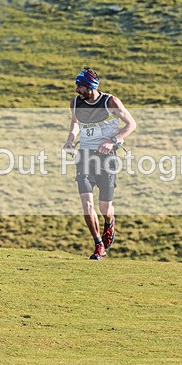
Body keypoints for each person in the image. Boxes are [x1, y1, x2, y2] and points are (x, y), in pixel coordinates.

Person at [63, 67, 136, 260]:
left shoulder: (110, 101)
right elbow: (76, 123)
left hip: (106, 159)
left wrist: (113, 141)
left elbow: (131, 124)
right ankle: (98, 245)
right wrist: (70, 140)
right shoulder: (75, 103)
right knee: (86, 203)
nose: (77, 90)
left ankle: (109, 223)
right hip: (84, 157)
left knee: (105, 207)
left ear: (90, 87)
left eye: (80, 87)